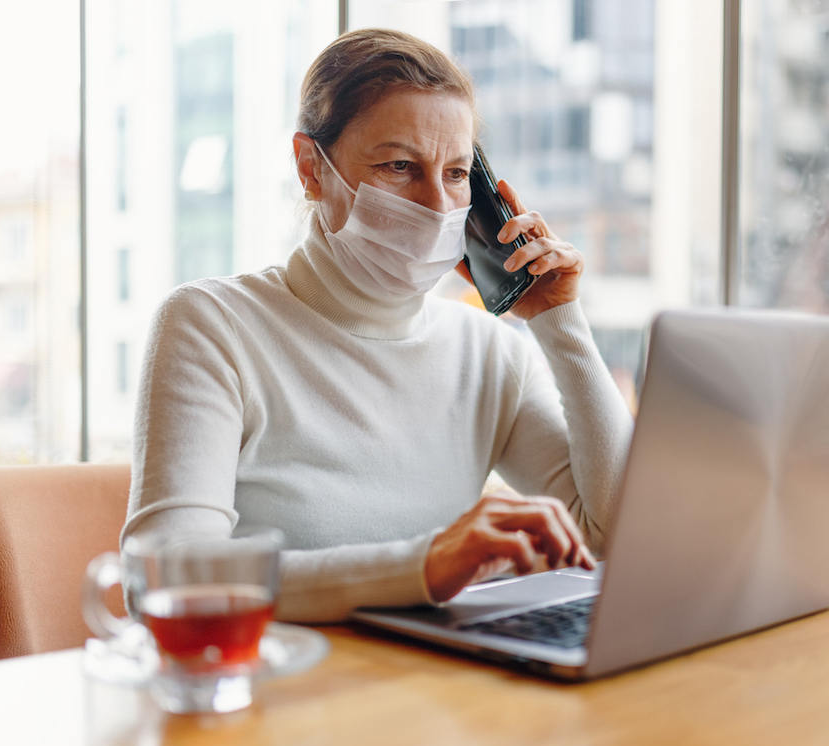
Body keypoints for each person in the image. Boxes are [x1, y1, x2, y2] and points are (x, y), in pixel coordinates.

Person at [122, 29, 634, 623]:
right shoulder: (212, 327)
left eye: (457, 173)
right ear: (311, 169)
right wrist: (423, 565)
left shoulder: (492, 355)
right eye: (399, 165)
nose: (438, 206)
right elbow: (166, 578)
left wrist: (558, 319)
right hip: (281, 696)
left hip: (432, 691)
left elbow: (613, 534)